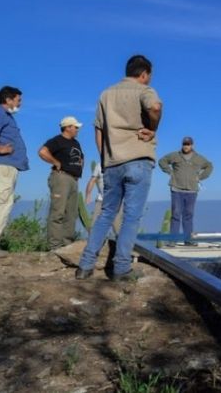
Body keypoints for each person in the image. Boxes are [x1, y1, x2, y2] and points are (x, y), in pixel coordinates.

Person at [76, 55, 163, 281]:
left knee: (106, 214)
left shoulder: (106, 94)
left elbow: (99, 130)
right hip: (138, 160)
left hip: (112, 163)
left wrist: (105, 159)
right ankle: (121, 269)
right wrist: (153, 127)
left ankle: (85, 266)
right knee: (131, 217)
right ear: (144, 74)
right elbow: (155, 107)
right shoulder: (145, 90)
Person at [0, 86, 29, 255]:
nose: (20, 104)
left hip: (6, 166)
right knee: (1, 202)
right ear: (8, 99)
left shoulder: (5, 116)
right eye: (18, 100)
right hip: (1, 165)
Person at [38, 116, 84, 249]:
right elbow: (42, 152)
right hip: (61, 178)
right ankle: (55, 246)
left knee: (71, 214)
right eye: (76, 127)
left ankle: (67, 245)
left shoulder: (76, 143)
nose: (77, 129)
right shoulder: (57, 140)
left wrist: (79, 168)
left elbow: (81, 157)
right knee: (58, 212)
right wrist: (56, 162)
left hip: (74, 179)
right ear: (68, 127)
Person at [158, 136, 213, 245]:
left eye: (188, 144)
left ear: (192, 145)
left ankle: (188, 240)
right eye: (184, 144)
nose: (186, 146)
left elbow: (209, 166)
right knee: (176, 214)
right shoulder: (175, 155)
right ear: (182, 145)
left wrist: (200, 177)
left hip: (192, 190)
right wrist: (169, 171)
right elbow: (162, 161)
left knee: (188, 215)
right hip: (176, 189)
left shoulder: (199, 158)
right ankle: (172, 240)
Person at [85, 162, 123, 234]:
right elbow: (92, 180)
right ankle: (93, 244)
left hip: (115, 201)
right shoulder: (99, 165)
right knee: (94, 226)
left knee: (117, 227)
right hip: (101, 201)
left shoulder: (120, 164)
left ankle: (121, 244)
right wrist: (88, 195)